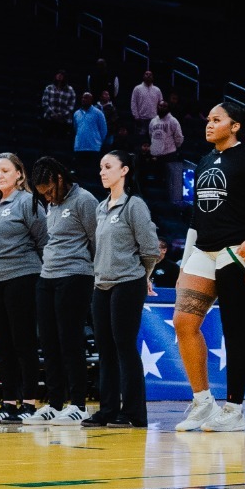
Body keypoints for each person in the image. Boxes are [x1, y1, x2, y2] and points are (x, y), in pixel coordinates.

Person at [173, 101, 245, 434]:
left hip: (235, 250)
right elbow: (197, 215)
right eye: (208, 119)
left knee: (234, 329)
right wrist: (185, 261)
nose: (209, 125)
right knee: (183, 322)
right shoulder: (204, 160)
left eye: (217, 119)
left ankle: (234, 409)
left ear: (235, 125)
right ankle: (202, 401)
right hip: (202, 248)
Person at [86, 151, 163, 427]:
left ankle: (133, 413)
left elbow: (150, 249)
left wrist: (145, 275)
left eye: (108, 167)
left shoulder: (134, 205)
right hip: (101, 284)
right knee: (105, 349)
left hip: (128, 282)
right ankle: (107, 409)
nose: (102, 172)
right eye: (100, 168)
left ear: (124, 171)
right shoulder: (100, 207)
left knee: (123, 346)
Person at [28, 157, 97, 425]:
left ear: (59, 179)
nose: (47, 197)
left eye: (49, 190)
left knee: (70, 341)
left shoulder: (85, 200)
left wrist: (91, 274)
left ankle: (78, 403)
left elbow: (96, 240)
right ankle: (54, 403)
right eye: (42, 193)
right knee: (49, 341)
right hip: (48, 276)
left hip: (76, 276)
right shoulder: (50, 204)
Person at [0, 153, 47, 423]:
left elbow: (44, 241)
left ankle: (29, 403)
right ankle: (8, 403)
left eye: (6, 171)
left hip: (23, 278)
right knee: (3, 345)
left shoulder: (28, 202)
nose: (0, 176)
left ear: (20, 174)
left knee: (24, 343)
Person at [41, 70, 78, 136]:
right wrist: (53, 114)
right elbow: (45, 103)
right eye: (58, 74)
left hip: (64, 121)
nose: (60, 75)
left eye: (62, 74)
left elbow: (71, 106)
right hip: (49, 119)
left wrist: (62, 115)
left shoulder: (70, 90)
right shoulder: (49, 88)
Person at [72, 92, 108, 158]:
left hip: (94, 148)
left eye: (86, 98)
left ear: (91, 100)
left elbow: (103, 130)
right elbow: (76, 128)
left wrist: (97, 142)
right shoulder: (76, 113)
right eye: (82, 98)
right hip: (79, 147)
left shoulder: (98, 113)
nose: (83, 99)